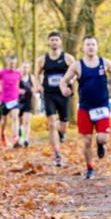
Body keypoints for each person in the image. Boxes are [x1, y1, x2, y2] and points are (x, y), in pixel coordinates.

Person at [60, 35, 111, 179]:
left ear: (97, 47)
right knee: (86, 141)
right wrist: (64, 89)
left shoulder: (105, 63)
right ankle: (90, 168)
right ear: (83, 48)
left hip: (101, 106)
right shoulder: (77, 66)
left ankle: (100, 145)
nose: (90, 47)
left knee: (103, 138)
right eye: (88, 44)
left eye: (93, 44)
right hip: (85, 108)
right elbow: (63, 81)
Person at [35, 31, 74, 167]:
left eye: (56, 40)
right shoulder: (42, 60)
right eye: (52, 40)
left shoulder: (68, 58)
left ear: (60, 42)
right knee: (51, 123)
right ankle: (57, 154)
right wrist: (39, 86)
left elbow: (76, 72)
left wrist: (71, 82)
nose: (54, 42)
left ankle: (61, 134)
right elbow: (36, 75)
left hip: (63, 94)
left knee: (64, 125)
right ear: (48, 42)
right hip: (49, 94)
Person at [0, 55, 22, 148]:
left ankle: (15, 139)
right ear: (7, 63)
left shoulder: (18, 73)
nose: (13, 65)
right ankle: (2, 134)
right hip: (4, 99)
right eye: (11, 63)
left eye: (14, 63)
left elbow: (18, 83)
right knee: (4, 121)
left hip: (14, 99)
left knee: (15, 117)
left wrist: (18, 90)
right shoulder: (2, 72)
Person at [18, 61, 34, 147]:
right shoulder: (18, 77)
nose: (25, 69)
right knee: (20, 121)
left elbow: (35, 88)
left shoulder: (31, 77)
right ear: (21, 68)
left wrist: (32, 90)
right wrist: (19, 91)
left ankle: (26, 139)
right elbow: (14, 88)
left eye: (27, 67)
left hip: (28, 101)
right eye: (24, 67)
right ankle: (21, 135)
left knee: (27, 121)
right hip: (19, 101)